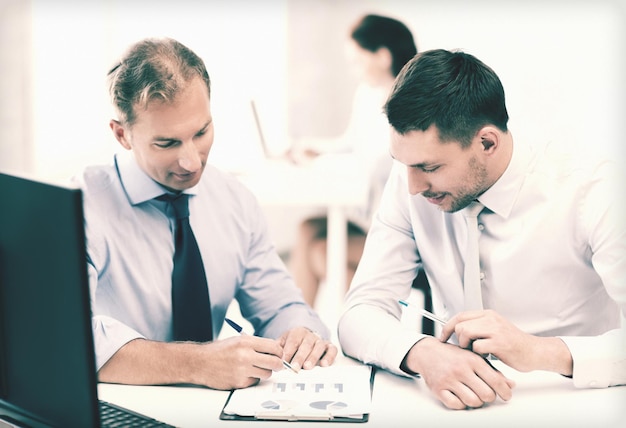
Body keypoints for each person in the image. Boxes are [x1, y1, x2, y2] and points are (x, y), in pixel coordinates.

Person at [338, 49, 625, 410]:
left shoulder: (595, 191)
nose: (412, 186)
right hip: (456, 410)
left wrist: (539, 351)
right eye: (404, 164)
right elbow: (359, 313)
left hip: (576, 405)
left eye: (430, 167)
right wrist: (421, 352)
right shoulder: (409, 178)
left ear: (487, 143)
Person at [72, 37, 337, 391]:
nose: (192, 162)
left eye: (201, 132)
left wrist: (300, 332)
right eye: (166, 143)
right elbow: (67, 335)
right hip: (120, 407)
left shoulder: (234, 201)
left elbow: (279, 305)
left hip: (211, 410)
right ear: (122, 134)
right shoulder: (80, 206)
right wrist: (197, 363)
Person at [288, 14, 418, 307]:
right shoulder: (367, 94)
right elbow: (350, 144)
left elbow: (372, 165)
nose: (354, 71)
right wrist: (313, 148)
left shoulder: (408, 106)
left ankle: (348, 330)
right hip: (367, 219)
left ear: (382, 57)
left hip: (399, 230)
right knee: (307, 229)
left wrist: (317, 165)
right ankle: (298, 333)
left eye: (358, 62)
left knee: (323, 252)